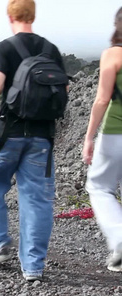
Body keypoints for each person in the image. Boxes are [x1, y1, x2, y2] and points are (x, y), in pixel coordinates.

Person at [0, 0, 66, 282]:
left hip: (10, 134)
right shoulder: (50, 49)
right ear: (33, 15)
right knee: (37, 201)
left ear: (10, 15)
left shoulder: (6, 47)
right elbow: (63, 88)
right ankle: (33, 268)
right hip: (43, 136)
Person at [82, 7, 122, 272]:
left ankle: (120, 241)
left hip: (116, 132)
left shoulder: (113, 54)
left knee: (99, 187)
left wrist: (89, 137)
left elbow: (102, 99)